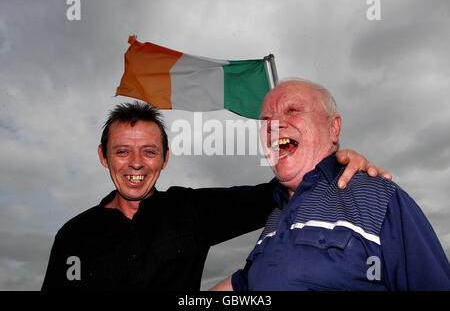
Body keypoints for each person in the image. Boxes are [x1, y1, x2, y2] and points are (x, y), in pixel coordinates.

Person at [41, 101, 390, 290]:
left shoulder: (191, 210)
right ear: (103, 156)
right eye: (121, 152)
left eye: (149, 151)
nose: (136, 164)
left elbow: (277, 191)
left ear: (165, 158)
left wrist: (332, 160)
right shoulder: (74, 235)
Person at [212, 79, 450, 291]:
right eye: (265, 120)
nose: (274, 125)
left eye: (292, 110)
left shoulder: (377, 196)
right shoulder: (276, 216)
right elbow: (246, 283)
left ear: (333, 128)